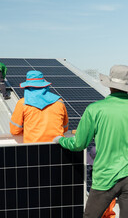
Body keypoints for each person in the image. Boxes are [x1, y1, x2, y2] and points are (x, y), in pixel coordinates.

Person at [54, 65, 128, 218]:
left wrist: (61, 140)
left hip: (105, 176)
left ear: (110, 86)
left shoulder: (95, 109)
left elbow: (79, 144)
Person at [10, 70, 69, 143]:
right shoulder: (59, 102)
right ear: (45, 85)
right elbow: (65, 128)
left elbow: (14, 130)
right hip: (57, 147)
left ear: (27, 87)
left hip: (33, 148)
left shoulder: (23, 103)